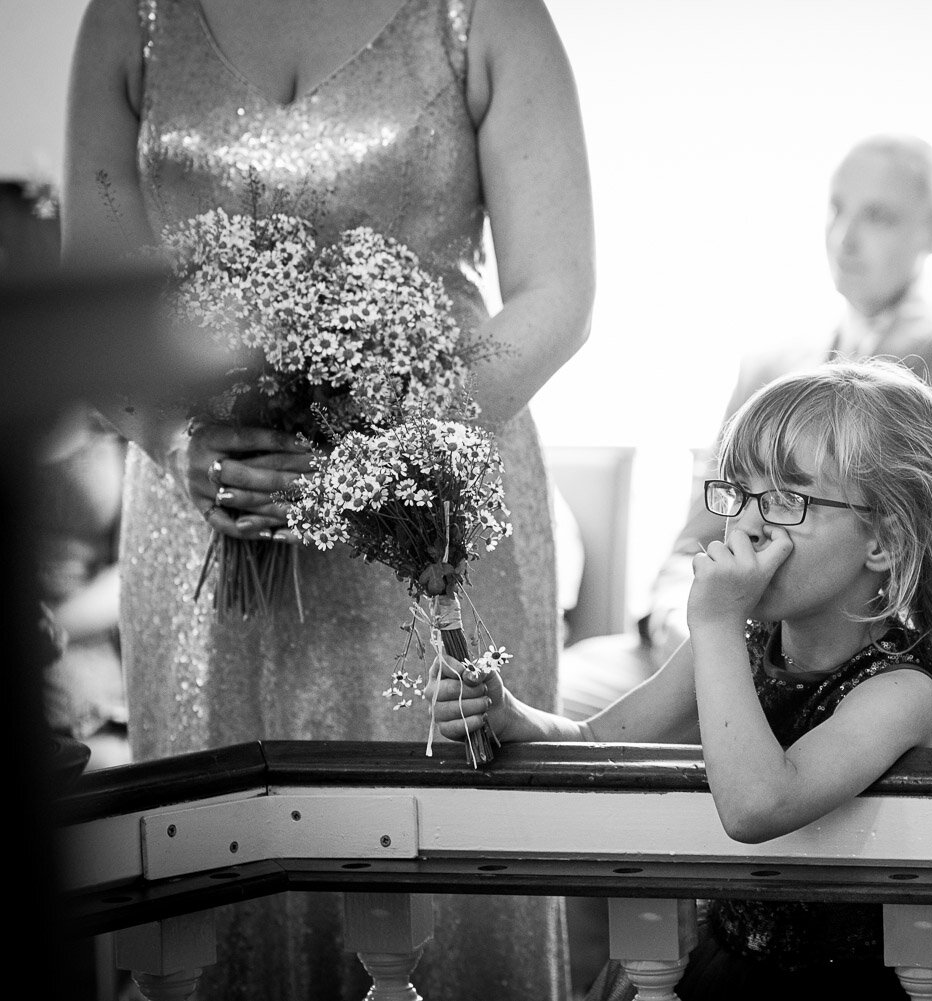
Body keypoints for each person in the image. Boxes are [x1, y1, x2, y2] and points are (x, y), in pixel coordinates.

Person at [61, 0, 594, 998]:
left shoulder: (481, 18)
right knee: (217, 864)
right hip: (206, 509)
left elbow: (558, 290)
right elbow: (94, 286)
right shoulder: (126, 20)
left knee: (436, 857)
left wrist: (381, 451)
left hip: (432, 501)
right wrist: (179, 440)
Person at [435, 360, 932, 1001]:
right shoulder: (740, 646)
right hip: (738, 967)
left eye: (788, 500)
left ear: (884, 542)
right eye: (740, 493)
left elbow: (759, 806)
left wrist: (712, 626)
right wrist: (515, 718)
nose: (747, 524)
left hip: (868, 983)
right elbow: (599, 740)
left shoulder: (901, 691)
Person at [561, 134, 932, 734]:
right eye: (837, 209)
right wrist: (686, 624)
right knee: (564, 690)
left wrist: (866, 638)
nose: (846, 238)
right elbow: (703, 529)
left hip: (877, 644)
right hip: (731, 636)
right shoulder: (772, 362)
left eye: (879, 216)